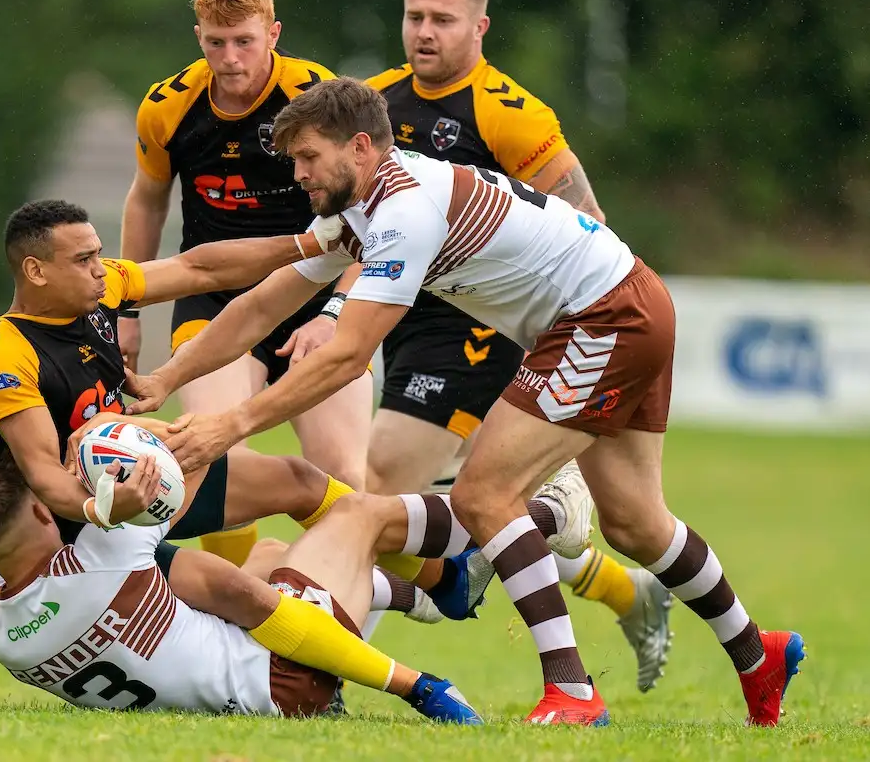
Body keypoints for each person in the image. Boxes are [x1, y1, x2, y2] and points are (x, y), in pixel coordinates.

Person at [124, 78, 805, 727]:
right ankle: (758, 654)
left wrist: (231, 425)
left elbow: (347, 355)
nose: (297, 174)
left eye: (307, 157)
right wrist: (167, 374)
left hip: (604, 317)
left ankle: (571, 688)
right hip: (623, 301)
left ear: (361, 147)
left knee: (483, 494)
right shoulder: (365, 204)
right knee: (633, 523)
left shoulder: (403, 210)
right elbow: (262, 299)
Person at [0, 198, 490, 636]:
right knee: (236, 591)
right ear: (35, 271)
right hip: (73, 529)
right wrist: (103, 507)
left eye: (99, 255)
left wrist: (310, 245)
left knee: (299, 480)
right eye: (83, 260)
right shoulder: (6, 356)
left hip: (134, 479)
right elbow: (44, 476)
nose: (101, 269)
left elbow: (199, 268)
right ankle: (324, 673)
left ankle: (443, 579)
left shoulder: (101, 294)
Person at [358, 0, 669, 694]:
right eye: (415, 17)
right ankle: (616, 584)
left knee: (378, 486)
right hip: (406, 320)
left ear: (479, 26)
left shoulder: (510, 113)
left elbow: (593, 230)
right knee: (463, 510)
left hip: (480, 329)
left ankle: (320, 671)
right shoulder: (374, 102)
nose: (425, 32)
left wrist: (565, 352)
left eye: (442, 20)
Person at [118, 0, 373, 566]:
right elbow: (146, 198)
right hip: (215, 298)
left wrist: (337, 310)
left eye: (245, 42)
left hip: (314, 299)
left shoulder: (318, 97)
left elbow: (373, 218)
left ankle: (315, 607)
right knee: (209, 451)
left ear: (274, 34)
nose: (229, 59)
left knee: (343, 477)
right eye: (214, 42)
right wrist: (125, 308)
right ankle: (232, 613)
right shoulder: (167, 106)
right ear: (199, 37)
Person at [0, 462, 483, 723]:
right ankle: (469, 560)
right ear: (48, 509)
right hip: (286, 680)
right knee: (355, 516)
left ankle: (423, 597)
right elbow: (180, 473)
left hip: (238, 695)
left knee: (272, 554)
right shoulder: (104, 555)